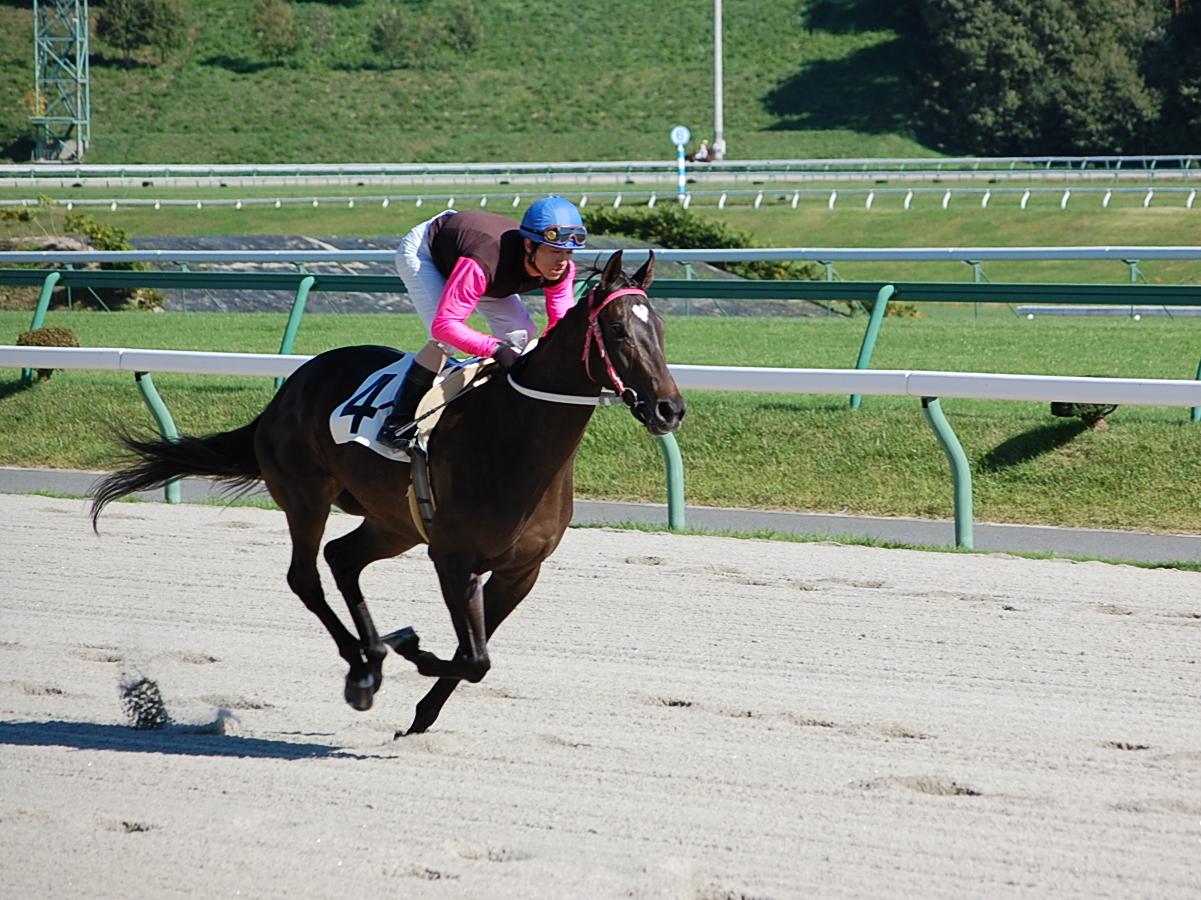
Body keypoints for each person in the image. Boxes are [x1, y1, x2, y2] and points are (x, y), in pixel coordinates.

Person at [377, 195, 586, 449]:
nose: (562, 261)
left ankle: (497, 406)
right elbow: (445, 325)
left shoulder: (563, 269)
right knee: (443, 342)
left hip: (484, 264)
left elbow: (561, 325)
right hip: (427, 254)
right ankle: (398, 422)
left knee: (521, 332)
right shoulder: (485, 260)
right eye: (554, 251)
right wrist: (496, 349)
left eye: (568, 252)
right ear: (529, 245)